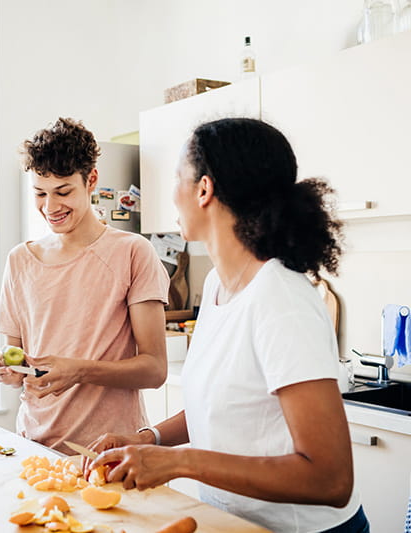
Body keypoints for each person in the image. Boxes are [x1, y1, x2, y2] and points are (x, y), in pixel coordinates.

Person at [85, 117, 368, 532]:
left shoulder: (280, 300)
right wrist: (149, 440)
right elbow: (219, 406)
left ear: (204, 188)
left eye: (177, 176)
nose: (171, 192)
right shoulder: (219, 285)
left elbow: (331, 478)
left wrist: (179, 462)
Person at [0, 117, 170, 454]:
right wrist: (8, 371)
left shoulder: (132, 252)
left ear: (91, 179)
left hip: (111, 451)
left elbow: (154, 370)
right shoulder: (20, 260)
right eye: (40, 193)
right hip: (32, 447)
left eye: (63, 192)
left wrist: (78, 371)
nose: (50, 207)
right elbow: (22, 366)